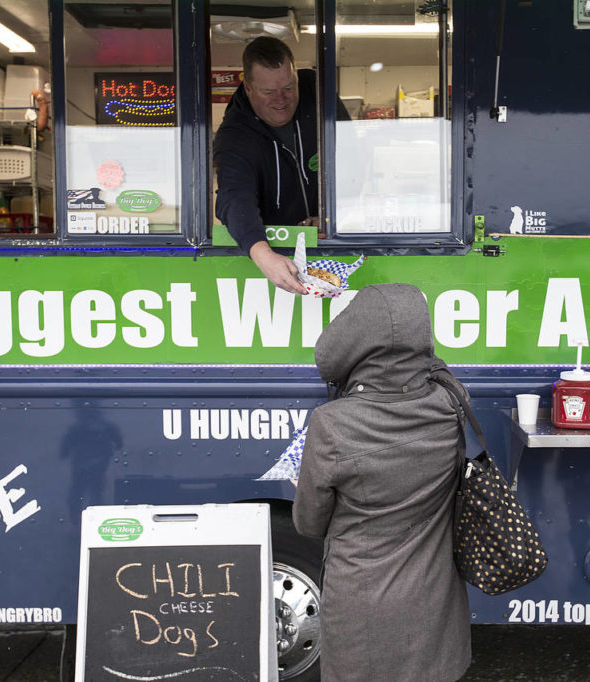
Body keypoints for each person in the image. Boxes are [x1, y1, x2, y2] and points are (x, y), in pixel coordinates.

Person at [292, 283, 471, 681]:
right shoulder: (451, 403)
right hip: (435, 602)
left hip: (361, 610)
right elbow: (436, 368)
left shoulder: (332, 425)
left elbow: (308, 524)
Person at [213, 37, 348, 295]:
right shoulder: (234, 134)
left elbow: (353, 161)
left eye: (288, 87)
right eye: (268, 92)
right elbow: (233, 198)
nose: (281, 99)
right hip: (278, 259)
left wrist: (334, 216)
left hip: (333, 245)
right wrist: (262, 254)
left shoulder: (318, 93)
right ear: (249, 89)